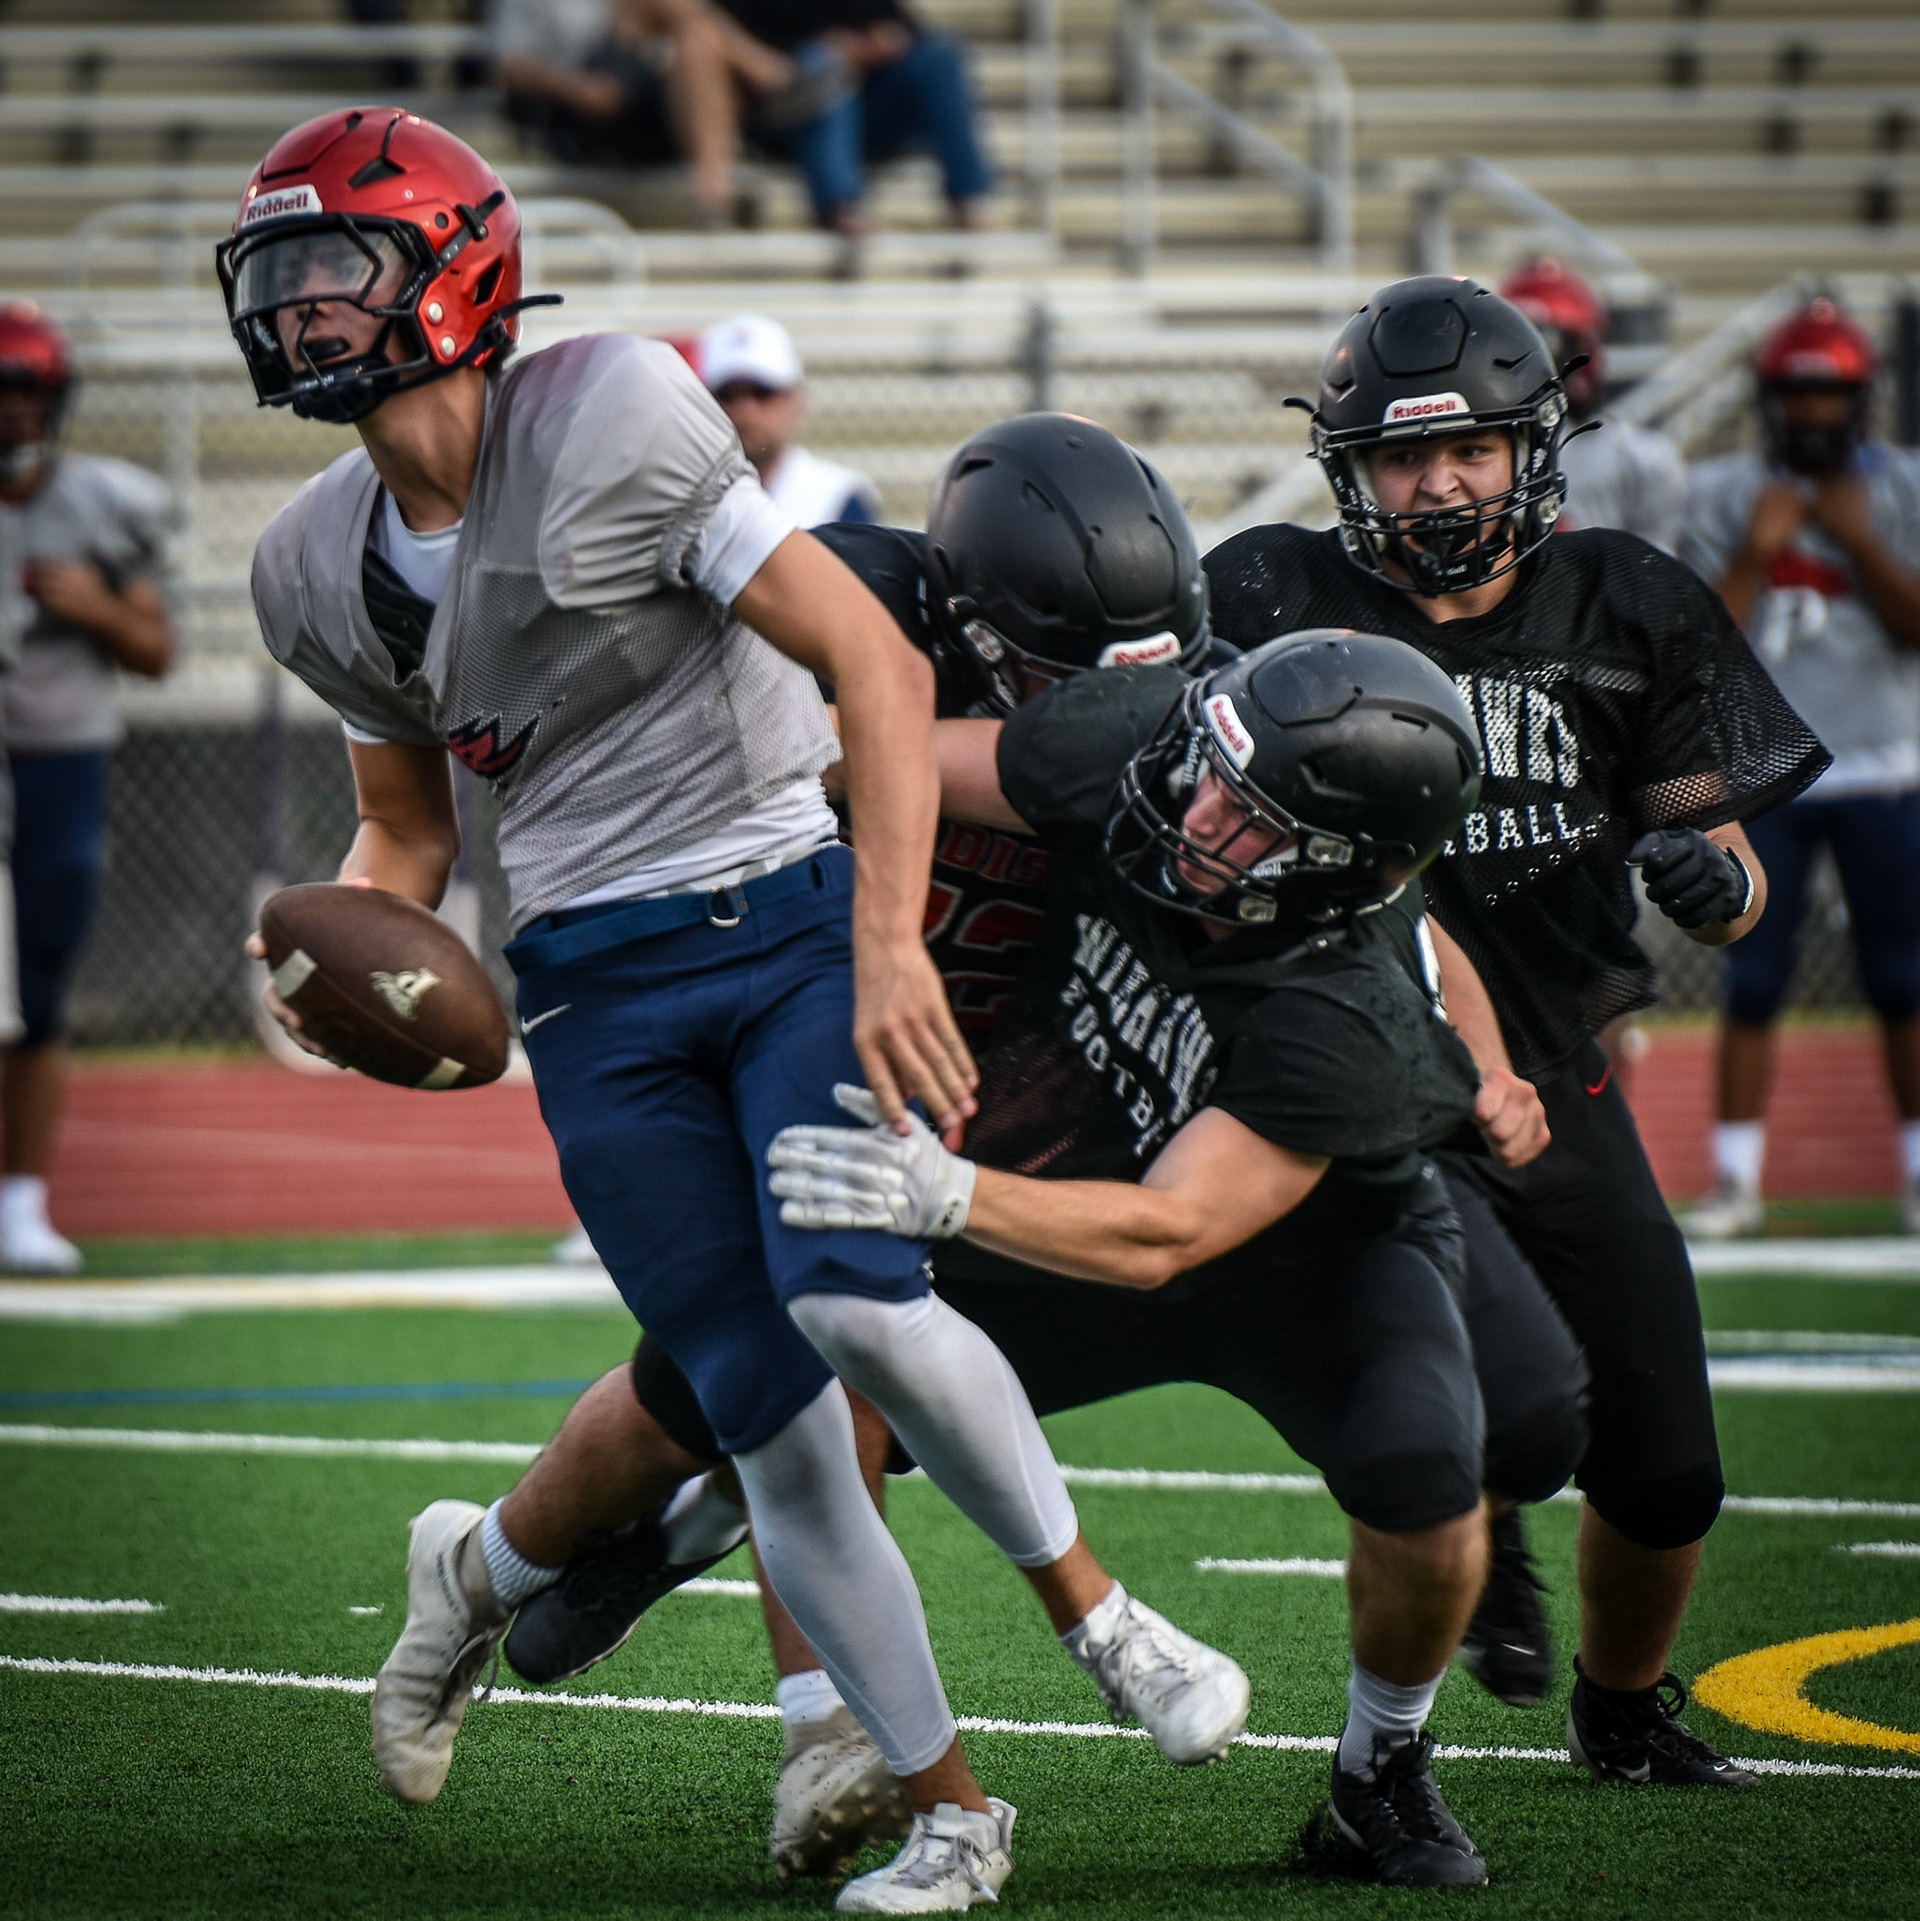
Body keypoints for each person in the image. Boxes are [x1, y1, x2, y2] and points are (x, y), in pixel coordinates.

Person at [220, 111, 1246, 1915]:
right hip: (593, 989)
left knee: (857, 1298)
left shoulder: (610, 411)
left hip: (781, 914)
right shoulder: (311, 561)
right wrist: (345, 954)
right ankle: (953, 1814)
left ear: (453, 272)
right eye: (278, 278)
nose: (301, 310)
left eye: (337, 269)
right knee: (770, 1415)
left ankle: (1106, 1624)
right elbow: (408, 833)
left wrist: (887, 941)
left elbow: (873, 660)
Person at [769, 631, 1589, 1889]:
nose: (1197, 810)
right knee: (789, 1374)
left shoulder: (1349, 1013)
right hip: (1085, 1185)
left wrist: (947, 1192)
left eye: (1249, 818)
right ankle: (577, 1578)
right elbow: (875, 749)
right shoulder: (1136, 745)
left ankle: (1380, 1765)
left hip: (1298, 1260)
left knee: (1429, 1484)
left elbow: (1170, 1234)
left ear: (1337, 873)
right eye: (1212, 768)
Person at [1204, 274, 1828, 1790]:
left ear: (1531, 450)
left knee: (1669, 1470)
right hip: (1355, 1074)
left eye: (1469, 450)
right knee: (1472, 1407)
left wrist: (1717, 883)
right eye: (1405, 456)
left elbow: (1730, 872)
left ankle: (1623, 1706)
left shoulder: (1625, 601)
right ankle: (1428, 1653)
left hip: (1560, 1071)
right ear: (1351, 471)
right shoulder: (1268, 595)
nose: (1439, 484)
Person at [1678, 299, 1920, 1239]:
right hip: (1767, 769)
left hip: (1884, 766)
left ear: (1862, 399)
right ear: (1769, 398)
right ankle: (1736, 1179)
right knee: (1753, 979)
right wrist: (1757, 550)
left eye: (1829, 395)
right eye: (1796, 394)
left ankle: (1914, 1175)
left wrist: (1856, 538)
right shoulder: (1721, 492)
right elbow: (1697, 649)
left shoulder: (1902, 487)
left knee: (1903, 980)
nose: (1813, 413)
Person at [0, 304, 175, 1275]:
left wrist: (96, 607)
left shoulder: (103, 502)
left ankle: (21, 1201)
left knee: (40, 981)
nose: (14, 414)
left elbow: (155, 649)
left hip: (59, 760)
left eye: (29, 396)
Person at [1500, 258, 1687, 1102]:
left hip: (1593, 718)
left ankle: (1603, 1133)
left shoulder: (1640, 460)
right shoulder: (1479, 456)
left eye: (1554, 346)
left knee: (1600, 946)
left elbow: (1657, 603)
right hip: (1494, 699)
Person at [490, 0, 801, 228]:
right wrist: (577, 89)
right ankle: (770, 75)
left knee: (698, 41)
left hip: (639, 90)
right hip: (573, 104)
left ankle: (713, 193)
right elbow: (510, 67)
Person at [713, 0, 991, 238]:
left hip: (869, 109)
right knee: (823, 64)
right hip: (788, 114)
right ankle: (841, 205)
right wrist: (830, 52)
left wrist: (877, 43)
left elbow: (901, 28)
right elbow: (761, 63)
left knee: (938, 57)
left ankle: (968, 198)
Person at [1500, 258, 1685, 554]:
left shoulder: (1641, 458)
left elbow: (1652, 568)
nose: (1526, 359)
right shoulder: (1480, 452)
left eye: (1545, 340)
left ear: (1583, 346)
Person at [703, 314, 881, 527]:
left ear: (798, 399)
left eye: (763, 392)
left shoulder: (837, 497)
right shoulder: (686, 498)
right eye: (726, 395)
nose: (745, 410)